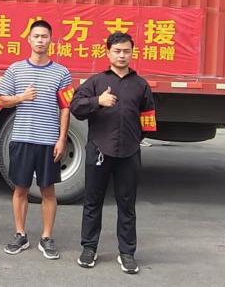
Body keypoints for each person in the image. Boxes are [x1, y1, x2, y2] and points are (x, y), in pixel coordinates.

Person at [70, 32, 156, 274]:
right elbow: (75, 107)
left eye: (126, 51)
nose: (121, 55)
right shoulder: (96, 82)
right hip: (99, 151)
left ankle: (127, 252)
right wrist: (97, 101)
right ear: (107, 53)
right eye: (117, 51)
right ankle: (89, 248)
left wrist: (133, 140)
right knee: (92, 202)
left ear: (132, 53)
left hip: (129, 153)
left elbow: (148, 121)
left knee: (127, 204)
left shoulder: (141, 85)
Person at [0, 20, 73, 260]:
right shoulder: (15, 69)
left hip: (48, 141)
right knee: (20, 189)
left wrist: (62, 139)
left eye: (44, 36)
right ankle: (20, 234)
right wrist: (21, 97)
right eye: (36, 36)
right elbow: (1, 100)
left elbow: (66, 108)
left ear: (51, 40)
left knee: (48, 190)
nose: (40, 40)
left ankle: (46, 237)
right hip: (22, 138)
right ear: (28, 39)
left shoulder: (62, 73)